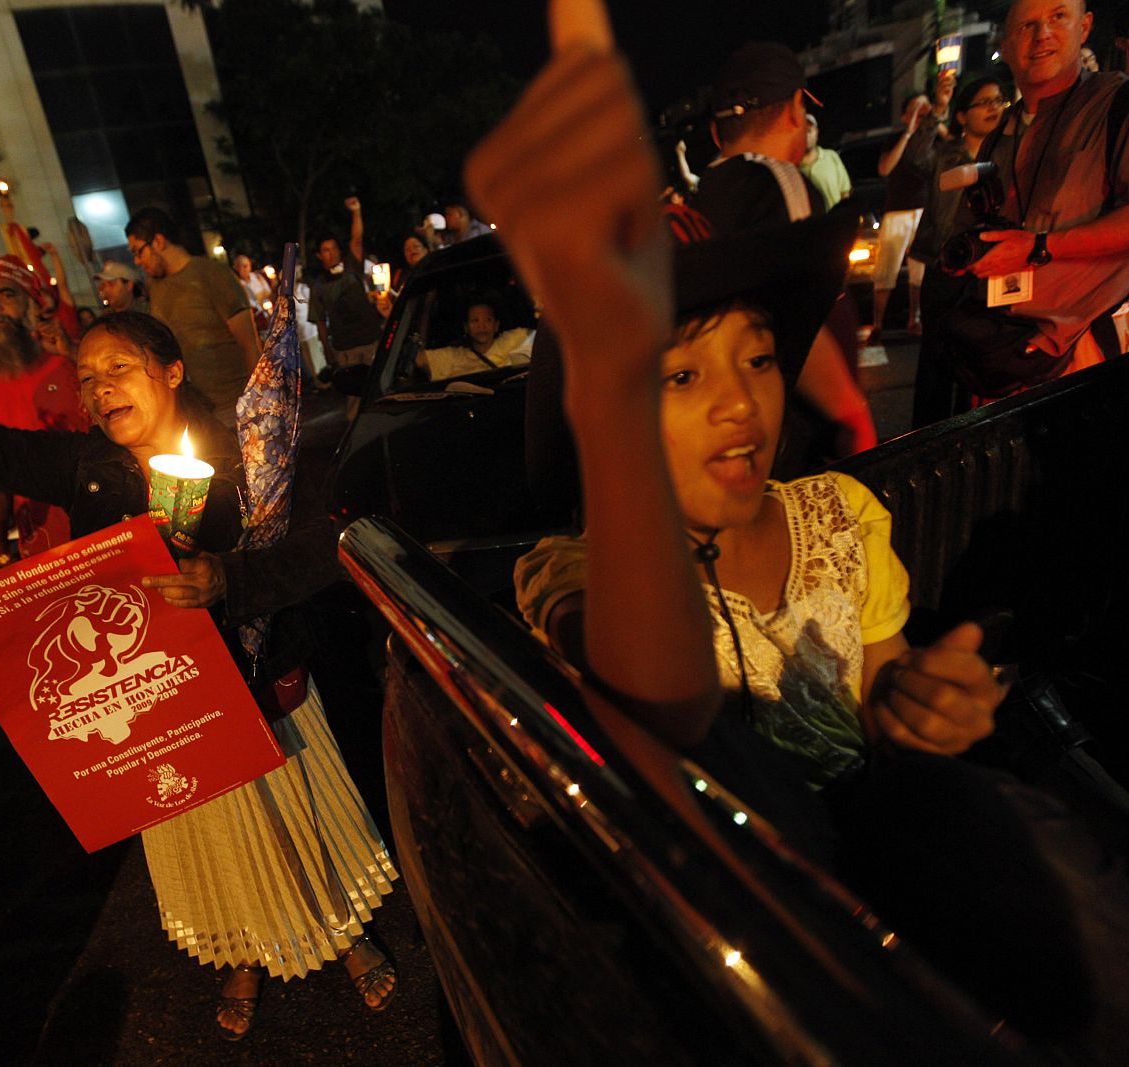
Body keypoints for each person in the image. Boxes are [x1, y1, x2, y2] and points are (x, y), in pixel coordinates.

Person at [471, 4, 1129, 1059]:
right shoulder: (581, 568)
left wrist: (924, 710)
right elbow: (665, 701)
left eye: (759, 357)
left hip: (902, 898)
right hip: (749, 943)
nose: (741, 404)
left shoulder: (835, 514)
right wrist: (602, 378)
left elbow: (882, 697)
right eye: (681, 375)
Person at [0, 258, 400, 1041]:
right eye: (88, 377)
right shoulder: (87, 467)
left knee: (294, 814)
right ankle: (249, 946)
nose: (99, 388)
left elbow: (323, 545)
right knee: (214, 832)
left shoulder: (256, 444)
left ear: (170, 370)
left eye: (118, 368)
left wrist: (228, 579)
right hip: (160, 711)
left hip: (266, 686)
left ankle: (342, 933)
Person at [694, 39, 877, 463]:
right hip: (794, 437)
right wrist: (854, 415)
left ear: (717, 130)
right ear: (796, 108)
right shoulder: (782, 181)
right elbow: (798, 317)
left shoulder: (705, 193)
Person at [965, 0, 1129, 377]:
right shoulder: (998, 136)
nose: (1043, 36)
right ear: (1005, 46)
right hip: (1013, 350)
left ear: (1084, 26)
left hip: (1090, 347)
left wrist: (1041, 246)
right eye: (1026, 26)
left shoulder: (1114, 105)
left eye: (1058, 17)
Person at [0, 254, 91, 562]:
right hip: (41, 542)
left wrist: (76, 358)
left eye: (6, 295)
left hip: (105, 523)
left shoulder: (71, 362)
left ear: (31, 304)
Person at [910, 76, 1009, 426]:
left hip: (992, 267)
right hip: (945, 265)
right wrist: (938, 107)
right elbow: (915, 156)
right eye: (984, 102)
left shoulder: (1009, 153)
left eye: (998, 100)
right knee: (936, 357)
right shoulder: (945, 154)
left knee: (980, 356)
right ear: (963, 116)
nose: (994, 107)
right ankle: (926, 435)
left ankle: (969, 429)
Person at [125, 207, 262, 428]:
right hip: (197, 413)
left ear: (158, 241)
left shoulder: (211, 274)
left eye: (138, 251)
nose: (137, 261)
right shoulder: (156, 287)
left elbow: (251, 344)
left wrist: (259, 402)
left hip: (237, 405)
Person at [869, 79, 954, 341]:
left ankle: (914, 319)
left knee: (920, 271)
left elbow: (956, 146)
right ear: (906, 114)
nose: (924, 115)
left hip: (925, 211)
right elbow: (884, 169)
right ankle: (877, 324)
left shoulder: (935, 141)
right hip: (897, 212)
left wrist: (936, 124)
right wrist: (907, 133)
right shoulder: (897, 139)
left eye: (927, 110)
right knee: (886, 270)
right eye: (918, 110)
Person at [307, 198, 387, 381]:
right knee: (354, 397)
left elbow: (357, 240)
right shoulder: (318, 286)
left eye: (334, 248)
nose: (332, 252)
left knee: (380, 386)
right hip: (345, 349)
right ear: (319, 255)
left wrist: (356, 212)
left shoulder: (352, 267)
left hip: (370, 340)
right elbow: (320, 322)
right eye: (326, 250)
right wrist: (328, 351)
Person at [417, 295, 535, 380]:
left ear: (496, 325)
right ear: (466, 327)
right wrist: (426, 308)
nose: (482, 326)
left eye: (488, 320)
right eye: (475, 321)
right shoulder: (454, 357)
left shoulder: (515, 340)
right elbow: (419, 358)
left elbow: (546, 338)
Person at [800, 114, 852, 211]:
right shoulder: (792, 166)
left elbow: (845, 192)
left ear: (817, 132)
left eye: (809, 131)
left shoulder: (831, 157)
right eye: (802, 132)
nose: (806, 136)